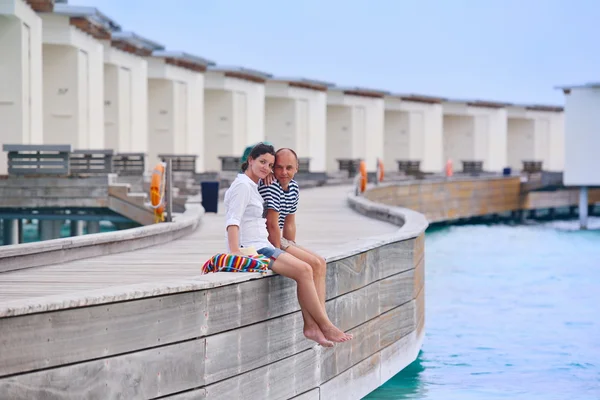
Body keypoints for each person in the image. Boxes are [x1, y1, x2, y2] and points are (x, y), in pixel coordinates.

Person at [224, 143, 352, 346]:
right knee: (304, 270)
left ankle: (314, 326)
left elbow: (286, 222)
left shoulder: (252, 184)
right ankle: (323, 325)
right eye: (262, 162)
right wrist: (234, 252)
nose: (267, 168)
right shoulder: (243, 186)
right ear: (250, 160)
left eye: (269, 164)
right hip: (255, 247)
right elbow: (233, 220)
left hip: (261, 243)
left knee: (311, 266)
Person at [258, 148, 334, 345]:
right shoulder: (270, 186)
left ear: (297, 168)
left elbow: (289, 223)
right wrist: (281, 254)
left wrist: (294, 247)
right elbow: (272, 225)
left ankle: (318, 320)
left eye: (289, 168)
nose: (283, 172)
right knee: (311, 265)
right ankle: (314, 324)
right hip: (268, 240)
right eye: (279, 167)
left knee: (319, 263)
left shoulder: (293, 188)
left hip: (281, 240)